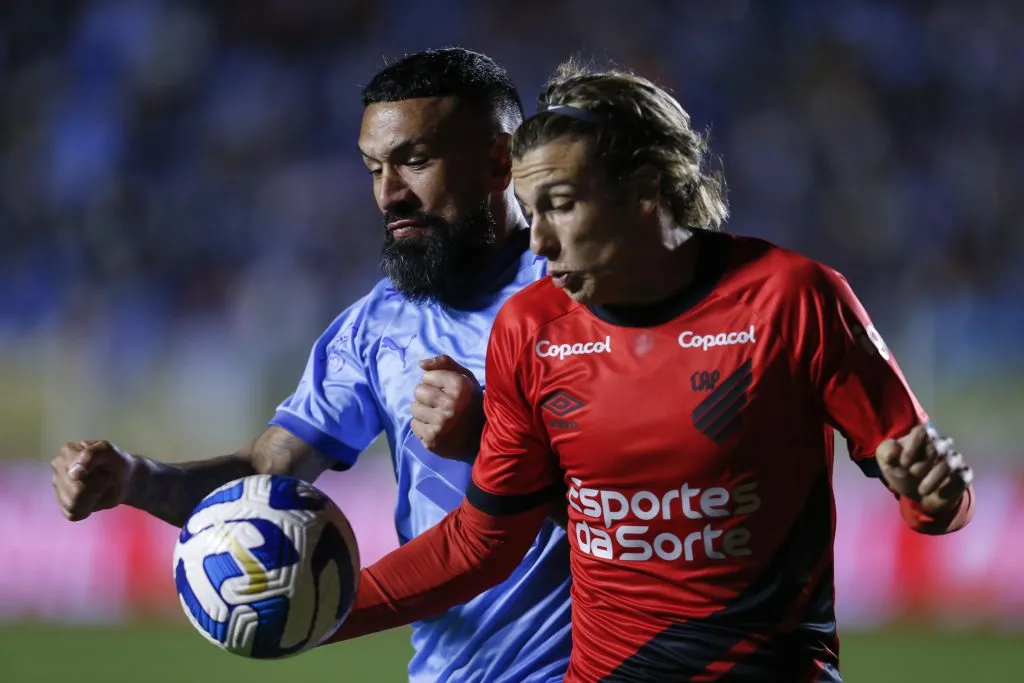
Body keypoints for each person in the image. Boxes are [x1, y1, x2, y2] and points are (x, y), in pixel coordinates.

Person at [323, 62, 976, 682]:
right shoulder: (531, 328)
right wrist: (317, 614)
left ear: (644, 191)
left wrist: (936, 493)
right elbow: (480, 543)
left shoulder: (792, 300)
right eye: (531, 209)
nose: (539, 241)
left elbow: (938, 504)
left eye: (561, 205)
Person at [50, 48, 573, 683]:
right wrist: (134, 479)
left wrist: (486, 439)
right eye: (374, 168)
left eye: (414, 161)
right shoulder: (376, 327)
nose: (389, 195)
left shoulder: (581, 298)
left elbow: (642, 500)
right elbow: (265, 472)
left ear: (499, 160)